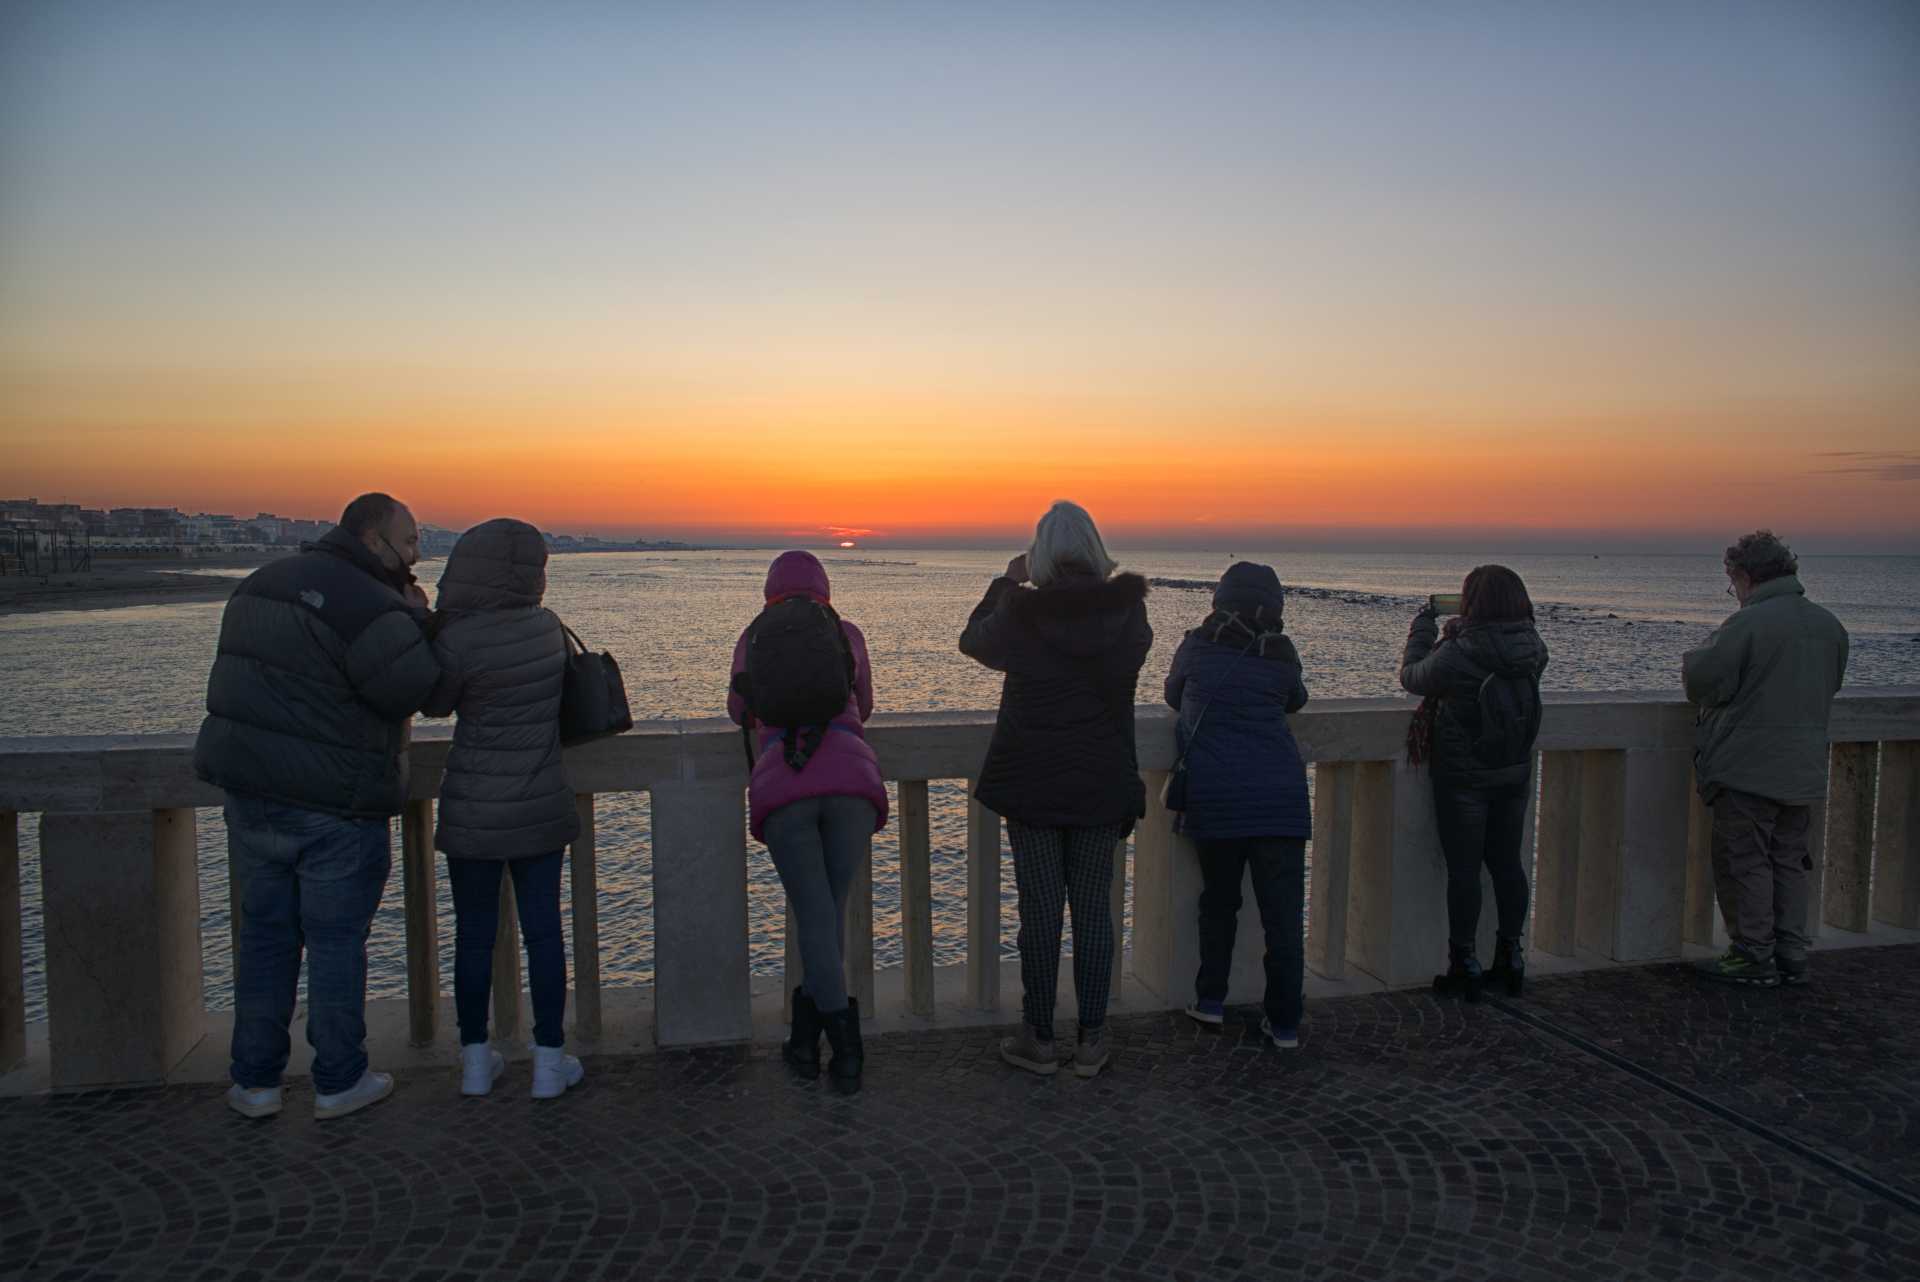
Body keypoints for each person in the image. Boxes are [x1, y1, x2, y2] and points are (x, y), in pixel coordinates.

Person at [194, 492, 440, 1120]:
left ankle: (254, 1082)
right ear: (373, 539)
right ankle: (337, 1079)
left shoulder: (259, 584)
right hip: (335, 803)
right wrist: (417, 621)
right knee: (335, 943)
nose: (416, 553)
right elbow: (416, 689)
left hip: (251, 798)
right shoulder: (369, 604)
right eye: (410, 540)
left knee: (265, 941)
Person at [960, 501, 1150, 1079]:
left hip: (1034, 784)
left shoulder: (1021, 613)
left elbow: (974, 642)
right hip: (1101, 781)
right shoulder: (1130, 617)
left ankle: (1038, 1038)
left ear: (1041, 553)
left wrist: (1006, 581)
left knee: (1040, 914)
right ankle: (1092, 1038)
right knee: (1095, 911)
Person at [420, 519, 585, 1098]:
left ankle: (473, 1061)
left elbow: (437, 707)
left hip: (473, 808)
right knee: (544, 934)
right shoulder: (548, 629)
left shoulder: (458, 640)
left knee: (473, 935)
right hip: (539, 804)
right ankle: (547, 1063)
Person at [729, 551, 887, 1094]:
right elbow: (862, 706)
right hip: (851, 784)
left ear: (771, 589)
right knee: (827, 916)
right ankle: (806, 1040)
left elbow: (738, 710)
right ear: (824, 587)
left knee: (815, 918)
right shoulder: (846, 633)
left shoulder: (755, 635)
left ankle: (844, 1051)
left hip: (787, 786)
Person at [1683, 530, 1848, 988]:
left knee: (1745, 862)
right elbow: (1829, 686)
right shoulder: (1828, 624)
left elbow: (1704, 683)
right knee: (1790, 861)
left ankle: (1752, 954)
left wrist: (1693, 658)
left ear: (1745, 575)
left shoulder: (1747, 625)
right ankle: (1791, 950)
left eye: (1731, 581)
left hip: (1747, 767)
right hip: (1804, 768)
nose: (1733, 591)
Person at [1164, 563, 1310, 1048]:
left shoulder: (1197, 645)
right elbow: (1296, 700)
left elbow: (1171, 694)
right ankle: (1285, 1024)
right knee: (1283, 918)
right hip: (1280, 802)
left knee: (1219, 904)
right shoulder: (1281, 652)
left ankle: (1209, 1001)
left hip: (1217, 799)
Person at [1400, 565, 1548, 1001]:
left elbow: (1412, 677)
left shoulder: (1459, 652)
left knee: (1464, 871)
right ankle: (1511, 955)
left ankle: (1464, 961)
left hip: (1464, 775)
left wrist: (1423, 628)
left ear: (1471, 604)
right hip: (1514, 770)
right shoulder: (1535, 647)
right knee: (1507, 865)